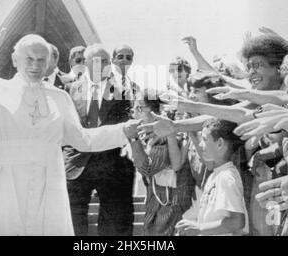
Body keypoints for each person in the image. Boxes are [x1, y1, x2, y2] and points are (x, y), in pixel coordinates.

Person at [0, 11, 137, 236]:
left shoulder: (59, 97)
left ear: (49, 64)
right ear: (15, 60)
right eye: (29, 59)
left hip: (49, 185)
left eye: (41, 60)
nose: (35, 65)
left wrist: (123, 130)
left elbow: (83, 140)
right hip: (6, 183)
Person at [65, 44, 135, 236]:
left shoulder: (124, 92)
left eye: (106, 61)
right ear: (86, 63)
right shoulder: (69, 90)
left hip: (112, 168)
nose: (104, 64)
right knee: (71, 225)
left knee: (113, 227)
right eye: (98, 60)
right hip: (76, 166)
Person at [123, 89, 194, 236]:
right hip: (158, 201)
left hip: (171, 204)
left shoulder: (165, 133)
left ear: (155, 110)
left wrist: (133, 139)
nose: (135, 114)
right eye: (134, 109)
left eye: (139, 108)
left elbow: (146, 168)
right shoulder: (150, 134)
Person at [176, 119, 248, 236]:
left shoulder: (227, 177)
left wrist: (199, 228)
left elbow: (237, 221)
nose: (200, 144)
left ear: (219, 143)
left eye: (204, 139)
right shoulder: (215, 175)